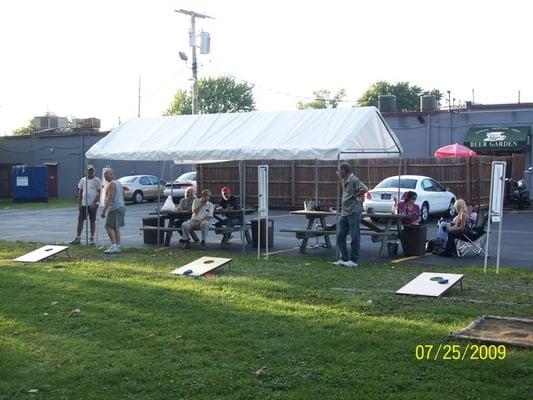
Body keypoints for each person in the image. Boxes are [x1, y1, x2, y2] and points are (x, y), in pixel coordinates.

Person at [334, 162, 368, 267]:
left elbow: (365, 189)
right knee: (340, 235)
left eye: (340, 171)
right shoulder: (344, 180)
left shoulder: (354, 180)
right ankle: (343, 258)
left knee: (354, 235)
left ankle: (354, 260)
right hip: (345, 211)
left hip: (354, 211)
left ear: (344, 170)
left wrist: (355, 196)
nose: (338, 173)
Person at [70, 165, 102, 245]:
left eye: (92, 170)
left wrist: (94, 203)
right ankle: (78, 237)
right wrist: (79, 203)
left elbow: (99, 193)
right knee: (80, 220)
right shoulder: (83, 180)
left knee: (92, 221)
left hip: (93, 205)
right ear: (86, 172)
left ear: (94, 171)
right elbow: (80, 192)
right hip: (84, 204)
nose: (90, 172)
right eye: (89, 171)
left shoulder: (97, 180)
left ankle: (92, 237)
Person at [100, 168, 126, 254]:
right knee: (116, 227)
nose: (105, 177)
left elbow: (110, 198)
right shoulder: (119, 183)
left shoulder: (111, 184)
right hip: (121, 206)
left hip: (115, 207)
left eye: (106, 175)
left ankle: (114, 245)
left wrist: (104, 211)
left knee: (108, 226)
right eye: (104, 175)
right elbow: (123, 194)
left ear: (111, 174)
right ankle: (117, 245)